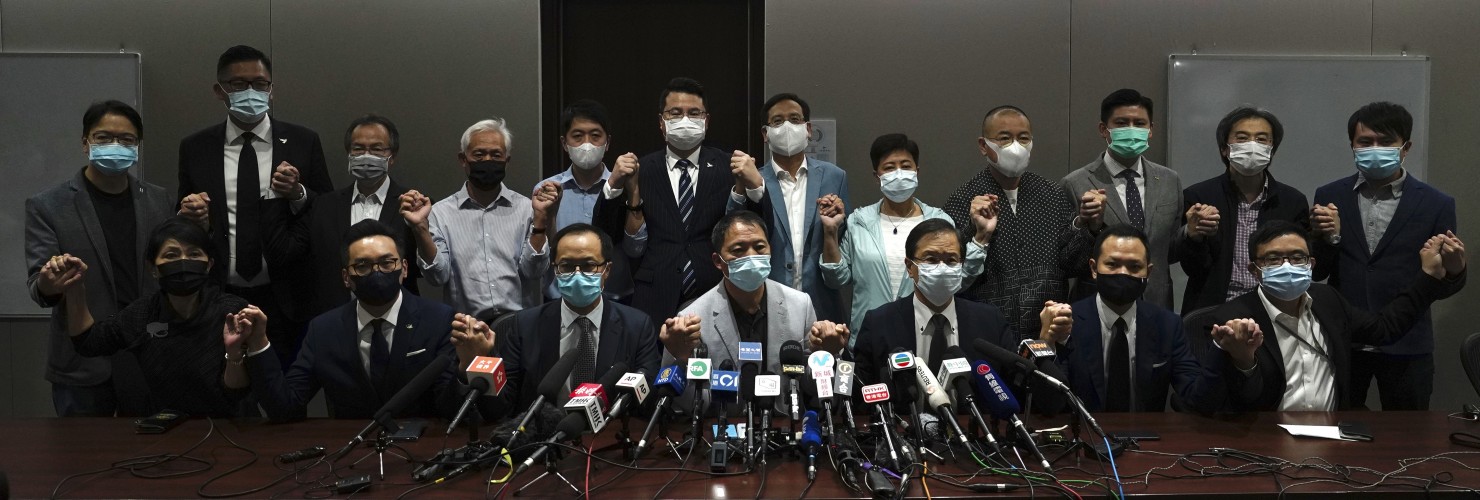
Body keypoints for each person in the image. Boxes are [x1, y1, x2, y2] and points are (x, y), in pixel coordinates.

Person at [1201, 221, 1465, 412]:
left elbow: (1385, 329)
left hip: (1332, 436)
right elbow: (1221, 402)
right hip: (1265, 439)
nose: (1287, 266)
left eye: (1297, 257)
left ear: (1311, 265)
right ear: (1254, 270)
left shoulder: (1328, 301)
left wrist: (1429, 276)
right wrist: (1243, 361)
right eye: (1273, 259)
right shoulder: (1231, 319)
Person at [177, 45, 332, 367]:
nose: (251, 91)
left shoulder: (303, 141)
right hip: (220, 293)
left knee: (287, 399)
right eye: (239, 84)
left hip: (287, 296)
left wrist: (298, 193)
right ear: (220, 91)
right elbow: (184, 218)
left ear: (271, 89)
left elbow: (327, 209)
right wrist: (193, 216)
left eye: (260, 84)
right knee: (226, 395)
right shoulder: (196, 147)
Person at [25, 100, 176, 416]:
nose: (115, 146)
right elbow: (39, 287)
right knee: (81, 460)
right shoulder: (48, 206)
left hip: (147, 353)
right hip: (83, 363)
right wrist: (50, 282)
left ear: (137, 147)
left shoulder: (159, 200)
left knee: (152, 458)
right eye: (104, 138)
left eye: (126, 140)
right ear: (85, 143)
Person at [1313, 102, 1457, 410]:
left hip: (1408, 341)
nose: (1374, 148)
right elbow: (1316, 272)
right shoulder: (1330, 195)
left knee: (1408, 437)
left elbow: (1442, 284)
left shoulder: (1436, 203)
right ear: (1352, 145)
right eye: (1365, 142)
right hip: (1345, 338)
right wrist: (1329, 238)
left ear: (1405, 147)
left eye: (1386, 141)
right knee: (1337, 431)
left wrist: (1455, 270)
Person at [593, 77, 767, 325]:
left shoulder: (729, 167)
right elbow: (604, 234)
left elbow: (758, 227)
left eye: (694, 113)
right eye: (675, 113)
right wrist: (612, 186)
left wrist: (756, 185)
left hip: (716, 290)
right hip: (655, 294)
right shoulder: (641, 169)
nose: (685, 120)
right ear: (661, 123)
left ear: (706, 121)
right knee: (653, 363)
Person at [243, 220, 458, 420]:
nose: (376, 272)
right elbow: (285, 407)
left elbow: (450, 408)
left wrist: (467, 364)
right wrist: (258, 343)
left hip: (421, 448)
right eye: (362, 266)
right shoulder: (324, 330)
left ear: (404, 269)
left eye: (386, 263)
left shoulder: (438, 320)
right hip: (350, 450)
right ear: (347, 277)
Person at [50, 217, 261, 417]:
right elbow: (88, 342)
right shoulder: (143, 314)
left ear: (209, 264)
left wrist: (234, 355)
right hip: (167, 429)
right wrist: (75, 287)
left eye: (194, 254)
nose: (184, 262)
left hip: (231, 428)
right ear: (153, 268)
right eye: (171, 255)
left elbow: (237, 393)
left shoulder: (233, 311)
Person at [450, 224, 661, 419]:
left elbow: (647, 404)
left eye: (588, 266)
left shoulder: (636, 326)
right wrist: (474, 363)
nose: (577, 275)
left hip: (606, 441)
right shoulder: (524, 325)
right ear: (555, 269)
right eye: (566, 266)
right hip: (543, 441)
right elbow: (499, 410)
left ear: (606, 270)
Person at [659, 211, 848, 413]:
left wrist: (828, 356)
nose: (751, 256)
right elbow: (685, 407)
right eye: (738, 250)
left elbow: (814, 390)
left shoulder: (800, 305)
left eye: (759, 247)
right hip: (725, 431)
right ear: (718, 261)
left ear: (770, 250)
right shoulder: (692, 319)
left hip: (782, 427)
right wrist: (682, 357)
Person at [943, 105, 1096, 340]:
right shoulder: (963, 200)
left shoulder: (1051, 194)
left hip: (1047, 329)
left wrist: (1087, 224)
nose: (1015, 146)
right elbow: (952, 274)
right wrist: (974, 232)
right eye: (1004, 139)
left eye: (1023, 138)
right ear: (984, 146)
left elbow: (1073, 264)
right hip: (987, 332)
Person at [851, 219, 1061, 383]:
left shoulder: (990, 321)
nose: (942, 268)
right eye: (931, 259)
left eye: (951, 260)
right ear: (909, 266)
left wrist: (1046, 342)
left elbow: (1017, 388)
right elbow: (861, 394)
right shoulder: (879, 323)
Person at [821, 133, 987, 339]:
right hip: (868, 335)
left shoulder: (938, 221)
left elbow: (957, 277)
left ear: (917, 171)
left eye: (906, 166)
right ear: (877, 176)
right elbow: (837, 279)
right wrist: (830, 232)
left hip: (924, 334)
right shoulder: (859, 221)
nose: (899, 174)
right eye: (889, 167)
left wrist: (981, 238)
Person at [1045, 224, 1219, 413]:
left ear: (1148, 272)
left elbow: (1196, 398)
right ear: (1094, 269)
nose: (1123, 273)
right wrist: (1047, 342)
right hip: (1086, 436)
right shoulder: (1067, 322)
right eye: (1112, 265)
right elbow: (1050, 403)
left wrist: (1222, 350)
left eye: (1134, 266)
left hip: (1147, 437)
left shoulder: (1167, 325)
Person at [399, 118, 559, 322]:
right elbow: (436, 277)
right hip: (466, 327)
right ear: (463, 159)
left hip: (519, 326)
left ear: (506, 161)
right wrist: (420, 228)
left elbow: (534, 271)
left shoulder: (527, 208)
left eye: (496, 155)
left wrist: (541, 220)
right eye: (479, 154)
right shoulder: (440, 212)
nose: (487, 160)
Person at [1180, 106, 1336, 314]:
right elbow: (1194, 269)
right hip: (1214, 311)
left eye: (1262, 139)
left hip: (1274, 311)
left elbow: (1310, 269)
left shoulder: (1291, 200)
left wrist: (1326, 235)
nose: (1252, 146)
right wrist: (1193, 237)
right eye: (1242, 138)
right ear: (1224, 148)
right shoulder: (1199, 197)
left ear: (1272, 149)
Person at [265, 115, 420, 319]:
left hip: (399, 319)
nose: (366, 155)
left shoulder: (413, 206)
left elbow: (428, 270)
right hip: (335, 321)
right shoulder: (324, 205)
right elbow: (283, 253)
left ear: (392, 157)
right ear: (349, 154)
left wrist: (421, 227)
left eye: (376, 149)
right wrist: (275, 194)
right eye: (358, 149)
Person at [1062, 89, 1183, 309]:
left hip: (1156, 302)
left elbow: (1168, 248)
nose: (1131, 130)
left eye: (1139, 123)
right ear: (1103, 130)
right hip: (1097, 303)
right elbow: (1068, 259)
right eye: (1121, 123)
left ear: (1150, 130)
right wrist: (1089, 226)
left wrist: (1191, 232)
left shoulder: (1169, 180)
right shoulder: (1075, 183)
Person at [756, 93, 849, 322]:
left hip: (821, 303)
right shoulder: (755, 181)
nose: (787, 126)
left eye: (795, 119)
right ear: (765, 134)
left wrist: (832, 228)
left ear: (808, 129)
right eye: (777, 121)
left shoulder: (834, 177)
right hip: (768, 304)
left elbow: (843, 241)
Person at [536, 99, 640, 302]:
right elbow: (543, 259)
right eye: (577, 136)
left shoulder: (623, 185)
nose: (587, 144)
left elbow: (635, 248)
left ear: (607, 142)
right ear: (564, 143)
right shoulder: (547, 189)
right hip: (561, 298)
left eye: (595, 136)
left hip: (615, 297)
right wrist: (550, 216)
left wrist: (627, 189)